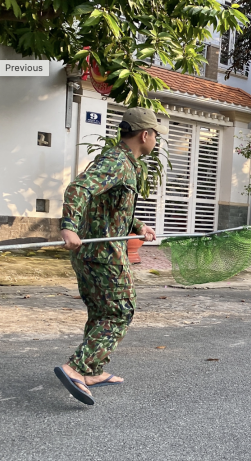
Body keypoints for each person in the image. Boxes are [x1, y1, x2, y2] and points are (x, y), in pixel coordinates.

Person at [54, 107, 168, 405]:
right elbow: (78, 189)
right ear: (145, 134)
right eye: (155, 134)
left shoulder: (127, 165)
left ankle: (91, 370)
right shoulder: (117, 162)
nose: (156, 139)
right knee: (120, 311)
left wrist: (140, 226)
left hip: (92, 253)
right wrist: (68, 227)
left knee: (101, 311)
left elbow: (113, 208)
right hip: (102, 255)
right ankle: (76, 368)